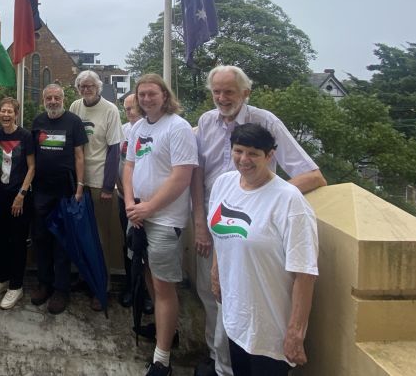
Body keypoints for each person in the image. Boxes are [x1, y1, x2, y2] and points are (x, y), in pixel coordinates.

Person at [191, 66, 327, 376]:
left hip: (257, 230)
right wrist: (201, 223)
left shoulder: (266, 123)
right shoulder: (206, 122)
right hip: (219, 225)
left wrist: (265, 197)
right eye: (217, 92)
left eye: (230, 92)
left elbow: (313, 175)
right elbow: (198, 174)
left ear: (246, 93)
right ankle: (218, 361)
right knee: (216, 300)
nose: (222, 98)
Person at [209, 123, 318, 375]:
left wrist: (295, 332)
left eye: (253, 153)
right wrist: (216, 273)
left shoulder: (289, 201)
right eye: (238, 151)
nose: (244, 159)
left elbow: (305, 273)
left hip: (270, 330)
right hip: (236, 318)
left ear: (270, 156)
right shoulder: (224, 183)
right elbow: (221, 233)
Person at [123, 74, 198, 376]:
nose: (146, 99)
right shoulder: (139, 128)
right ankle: (165, 332)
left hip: (164, 220)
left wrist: (149, 208)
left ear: (165, 96)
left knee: (165, 286)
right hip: (138, 214)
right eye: (141, 94)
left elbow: (182, 177)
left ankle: (162, 359)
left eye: (152, 94)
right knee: (147, 274)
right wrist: (130, 202)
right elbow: (129, 166)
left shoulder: (177, 128)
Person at [30, 83, 87, 316]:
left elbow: (79, 156)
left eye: (57, 97)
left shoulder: (74, 122)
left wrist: (80, 186)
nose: (53, 101)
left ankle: (61, 290)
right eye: (49, 98)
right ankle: (44, 284)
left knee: (62, 243)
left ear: (63, 98)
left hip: (66, 191)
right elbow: (32, 156)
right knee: (41, 239)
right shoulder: (38, 122)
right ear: (44, 99)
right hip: (41, 191)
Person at [68, 70, 123, 311]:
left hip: (100, 181)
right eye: (83, 86)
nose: (86, 89)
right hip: (79, 180)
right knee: (81, 233)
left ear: (98, 87)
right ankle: (84, 277)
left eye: (91, 86)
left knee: (100, 237)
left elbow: (114, 149)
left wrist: (109, 185)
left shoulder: (110, 109)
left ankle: (103, 285)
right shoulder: (75, 106)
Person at [0, 97, 36, 310]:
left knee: (17, 241)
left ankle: (16, 285)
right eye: (2, 111)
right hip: (0, 195)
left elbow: (32, 167)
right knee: (0, 239)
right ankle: (2, 278)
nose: (5, 115)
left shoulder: (25, 136)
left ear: (16, 113)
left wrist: (21, 195)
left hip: (19, 196)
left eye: (9, 112)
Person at [117, 92, 142, 308]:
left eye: (134, 107)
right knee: (128, 244)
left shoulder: (152, 130)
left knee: (145, 248)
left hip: (145, 201)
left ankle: (145, 293)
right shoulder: (123, 131)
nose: (131, 112)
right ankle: (130, 286)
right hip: (123, 198)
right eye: (126, 109)